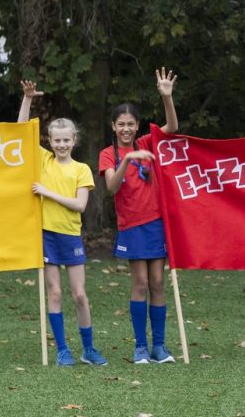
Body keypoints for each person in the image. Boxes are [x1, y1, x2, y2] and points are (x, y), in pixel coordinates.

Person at [18, 81, 105, 366]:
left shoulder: (82, 169)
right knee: (54, 293)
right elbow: (20, 132)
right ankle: (62, 351)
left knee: (79, 295)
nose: (61, 145)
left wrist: (47, 193)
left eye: (66, 140)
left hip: (70, 236)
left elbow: (80, 205)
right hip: (46, 235)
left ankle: (89, 349)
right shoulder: (43, 161)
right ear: (49, 141)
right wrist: (27, 99)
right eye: (56, 140)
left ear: (74, 141)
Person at [99, 68, 178, 364]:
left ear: (137, 125)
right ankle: (140, 348)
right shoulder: (109, 154)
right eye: (121, 124)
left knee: (158, 282)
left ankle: (159, 347)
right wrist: (128, 159)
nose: (126, 129)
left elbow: (171, 126)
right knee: (140, 284)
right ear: (114, 126)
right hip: (131, 226)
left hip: (155, 222)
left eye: (131, 124)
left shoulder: (146, 143)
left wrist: (166, 96)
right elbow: (111, 186)